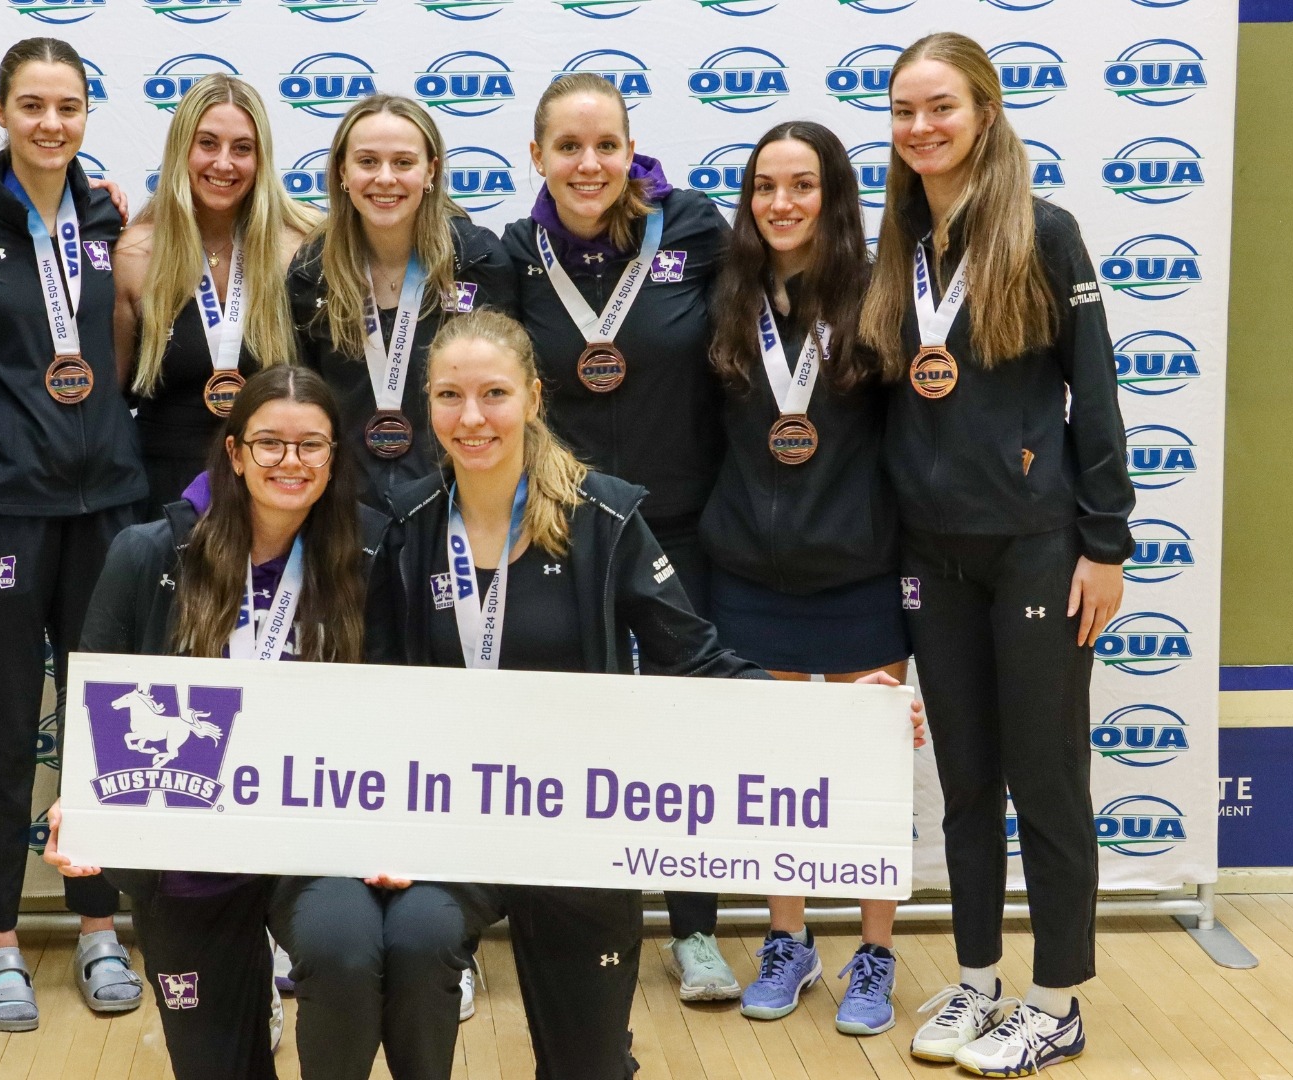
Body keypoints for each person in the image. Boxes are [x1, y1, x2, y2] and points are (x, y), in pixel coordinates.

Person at [385, 310, 924, 1078]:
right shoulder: (406, 528)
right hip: (451, 822)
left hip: (578, 821)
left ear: (535, 399)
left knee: (591, 1067)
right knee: (409, 938)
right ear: (426, 402)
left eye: (494, 393)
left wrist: (836, 710)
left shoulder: (603, 518)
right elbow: (371, 688)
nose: (471, 418)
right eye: (449, 396)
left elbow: (694, 657)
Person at [860, 32, 1132, 1076]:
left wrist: (1103, 544)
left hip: (1036, 549)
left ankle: (1055, 1000)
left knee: (1046, 779)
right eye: (904, 111)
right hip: (935, 555)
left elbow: (1096, 396)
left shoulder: (1044, 234)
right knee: (967, 781)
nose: (921, 128)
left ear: (984, 112)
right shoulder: (900, 244)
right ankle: (977, 982)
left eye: (941, 107)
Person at [43, 365, 391, 1080]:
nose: (289, 462)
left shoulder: (369, 558)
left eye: (310, 446)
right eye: (269, 443)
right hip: (188, 845)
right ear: (234, 453)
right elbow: (96, 698)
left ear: (334, 458)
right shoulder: (148, 553)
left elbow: (400, 705)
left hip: (313, 834)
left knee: (347, 955)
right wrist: (77, 803)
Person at [0, 36, 147, 1032]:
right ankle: (0, 941)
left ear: (87, 114)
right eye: (33, 105)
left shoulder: (106, 215)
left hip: (106, 508)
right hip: (6, 512)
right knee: (7, 729)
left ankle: (100, 921)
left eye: (68, 106)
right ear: (1, 111)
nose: (51, 123)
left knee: (107, 728)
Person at [501, 75, 735, 985]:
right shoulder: (514, 252)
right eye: (568, 147)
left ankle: (695, 929)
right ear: (538, 157)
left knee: (685, 726)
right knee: (565, 729)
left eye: (607, 146)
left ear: (633, 151)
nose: (590, 164)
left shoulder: (695, 229)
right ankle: (559, 917)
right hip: (562, 524)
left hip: (679, 518)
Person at [701, 121, 914, 1032]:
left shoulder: (878, 296)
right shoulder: (729, 296)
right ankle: (787, 940)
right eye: (763, 187)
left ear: (834, 195)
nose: (780, 204)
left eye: (801, 185)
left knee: (868, 772)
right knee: (781, 774)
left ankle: (874, 952)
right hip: (751, 573)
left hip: (862, 576)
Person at [290, 94, 515, 506]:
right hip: (346, 514)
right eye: (368, 161)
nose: (386, 178)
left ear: (431, 170)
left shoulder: (477, 263)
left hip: (458, 504)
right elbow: (301, 407)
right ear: (343, 170)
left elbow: (507, 395)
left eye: (404, 162)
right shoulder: (311, 275)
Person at [115, 74, 320, 516]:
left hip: (275, 490)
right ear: (181, 151)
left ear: (261, 158)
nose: (224, 163)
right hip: (164, 494)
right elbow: (111, 397)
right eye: (208, 143)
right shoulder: (134, 255)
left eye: (242, 148)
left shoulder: (301, 249)